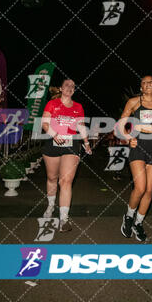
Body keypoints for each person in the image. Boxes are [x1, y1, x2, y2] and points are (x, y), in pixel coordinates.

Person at [117, 75, 152, 242]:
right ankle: (129, 216)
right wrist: (127, 138)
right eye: (145, 82)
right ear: (141, 87)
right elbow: (119, 126)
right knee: (140, 188)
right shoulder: (133, 102)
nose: (148, 84)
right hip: (138, 146)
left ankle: (138, 223)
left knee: (149, 190)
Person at [41, 79, 92, 232]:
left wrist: (86, 142)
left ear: (74, 91)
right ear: (61, 88)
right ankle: (50, 205)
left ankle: (63, 218)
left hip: (71, 144)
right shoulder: (53, 104)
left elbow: (81, 126)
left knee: (66, 181)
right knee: (52, 178)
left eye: (72, 86)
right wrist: (54, 134)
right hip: (52, 143)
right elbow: (44, 123)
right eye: (67, 85)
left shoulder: (78, 107)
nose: (70, 88)